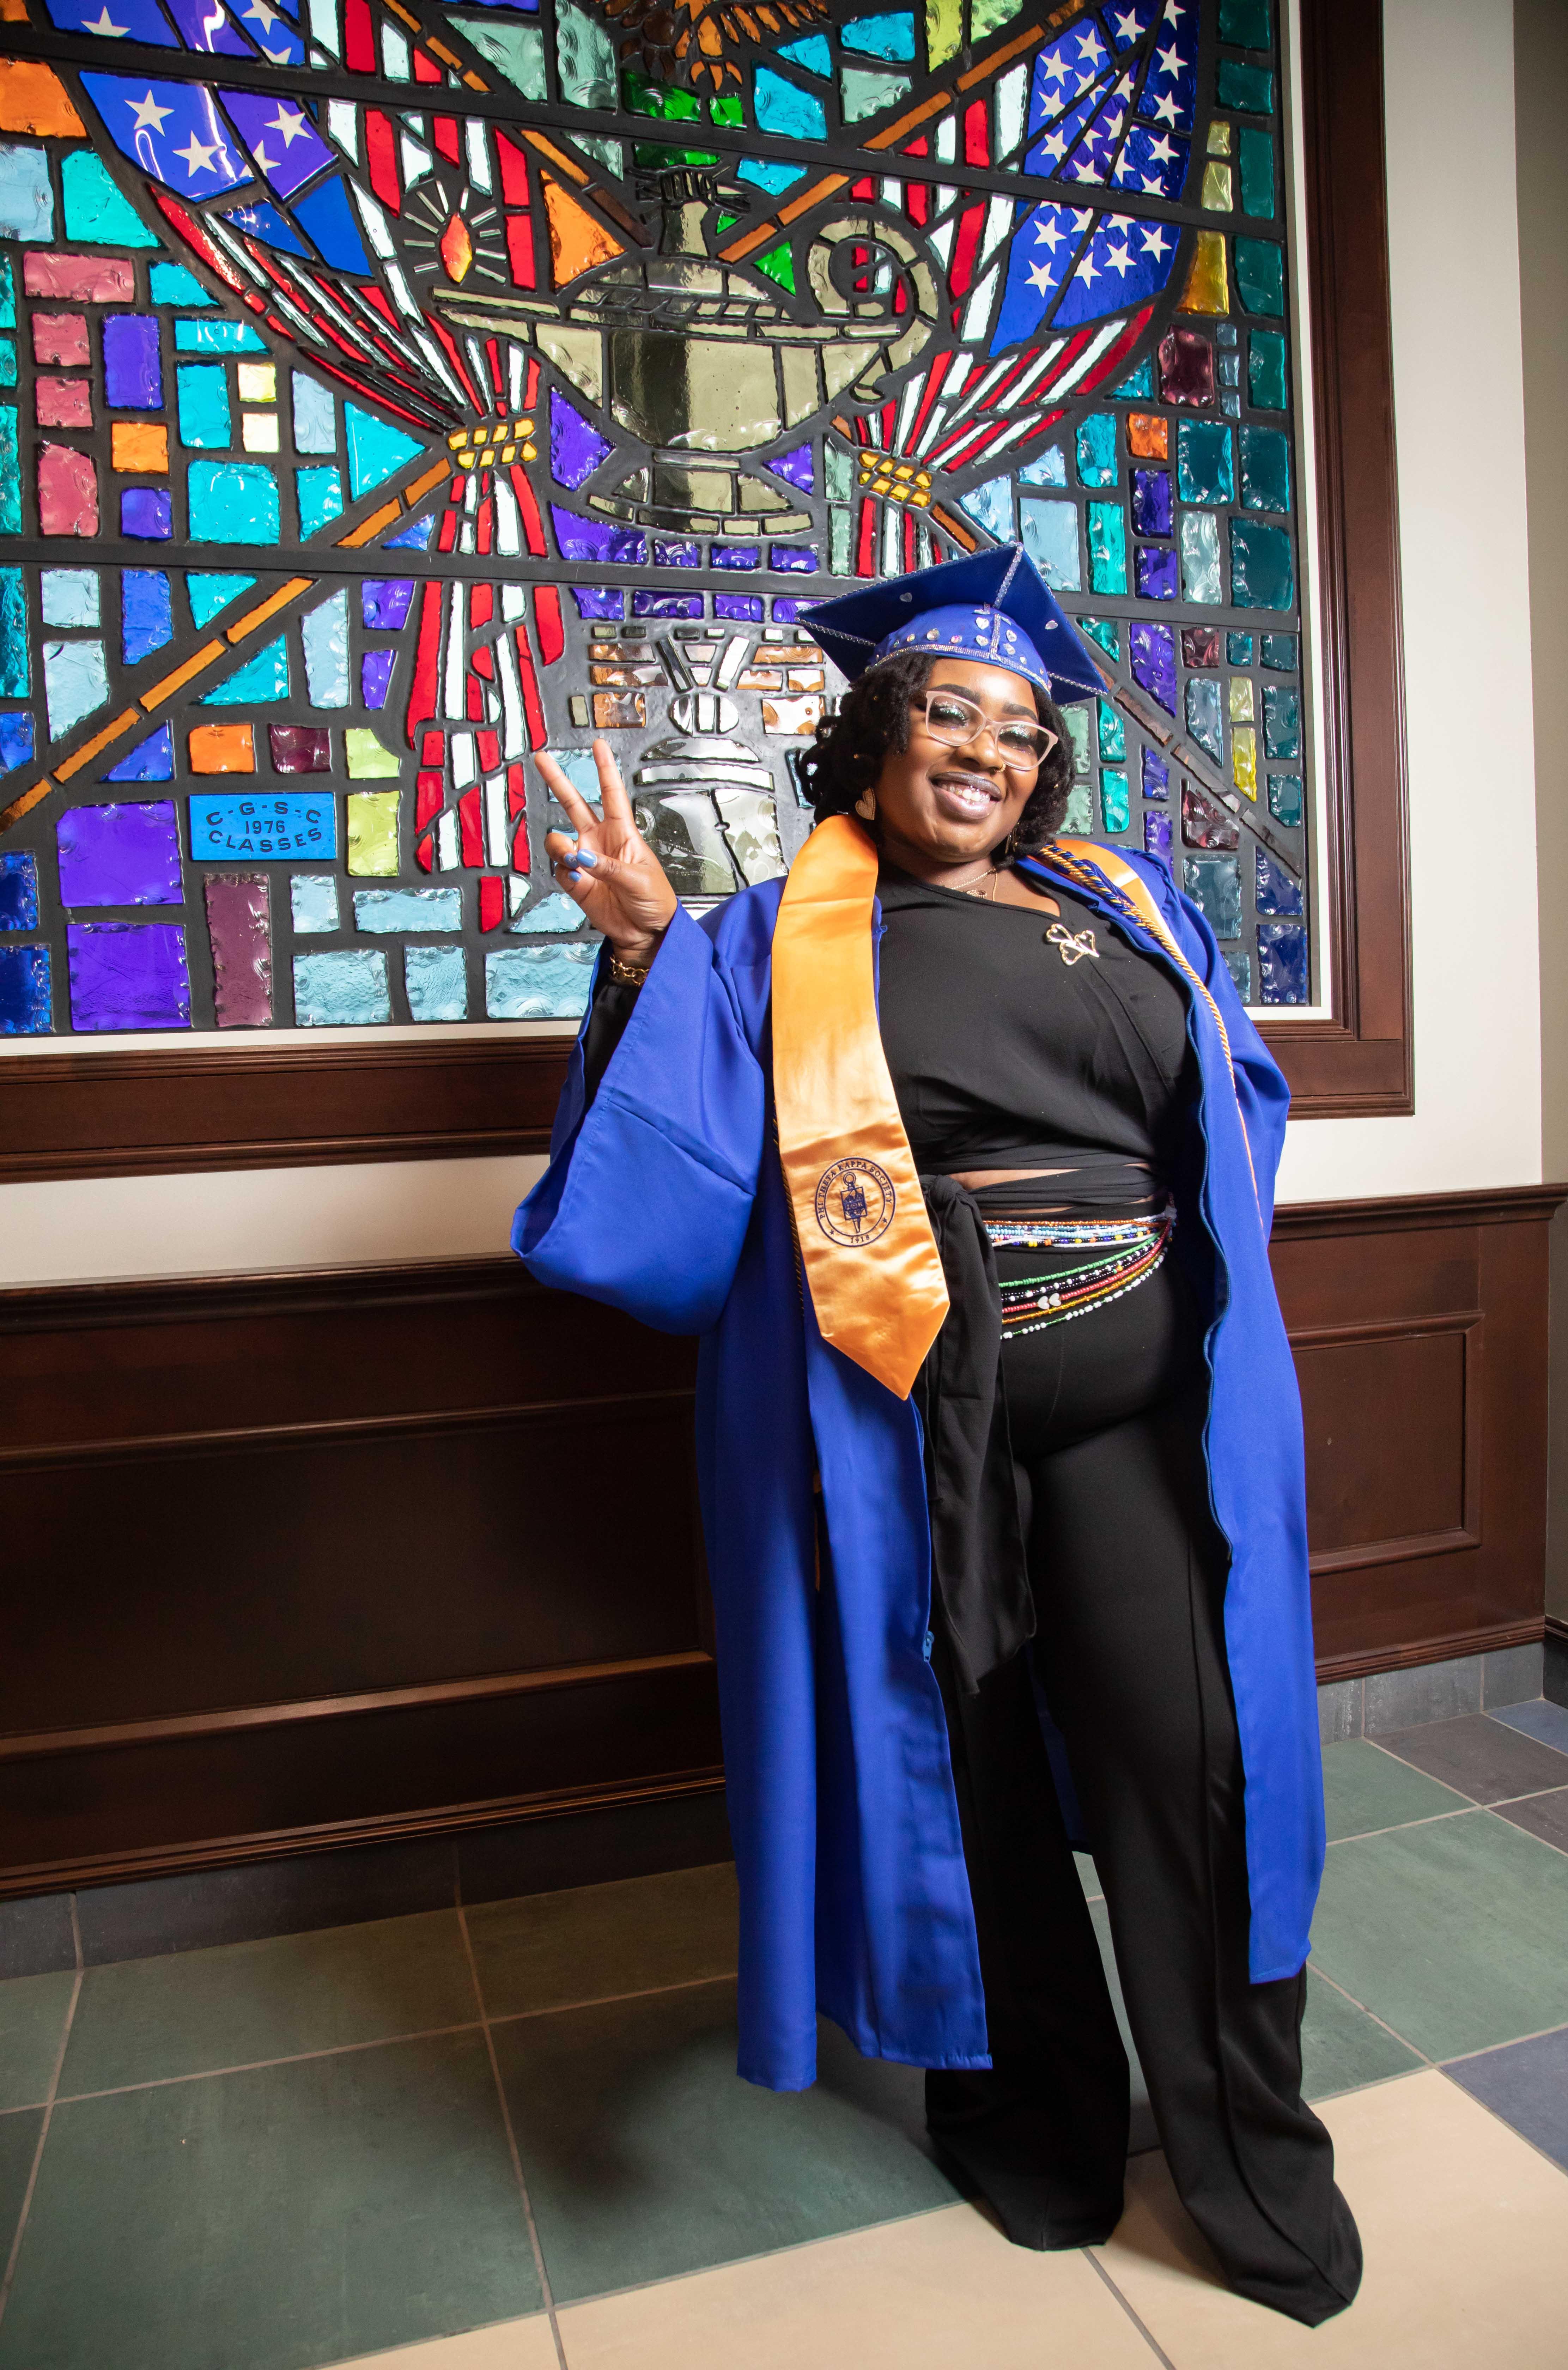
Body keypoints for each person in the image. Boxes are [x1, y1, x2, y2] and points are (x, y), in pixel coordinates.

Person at [512, 545, 1361, 2326]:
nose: (986, 749)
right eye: (947, 714)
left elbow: (1232, 1107)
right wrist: (644, 959)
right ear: (874, 739)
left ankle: (1250, 2164)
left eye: (1019, 729)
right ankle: (1030, 2131)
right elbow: (675, 1181)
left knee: (1185, 1767)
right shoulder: (765, 935)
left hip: (1138, 1405)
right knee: (958, 1783)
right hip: (905, 1426)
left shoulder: (1123, 898)